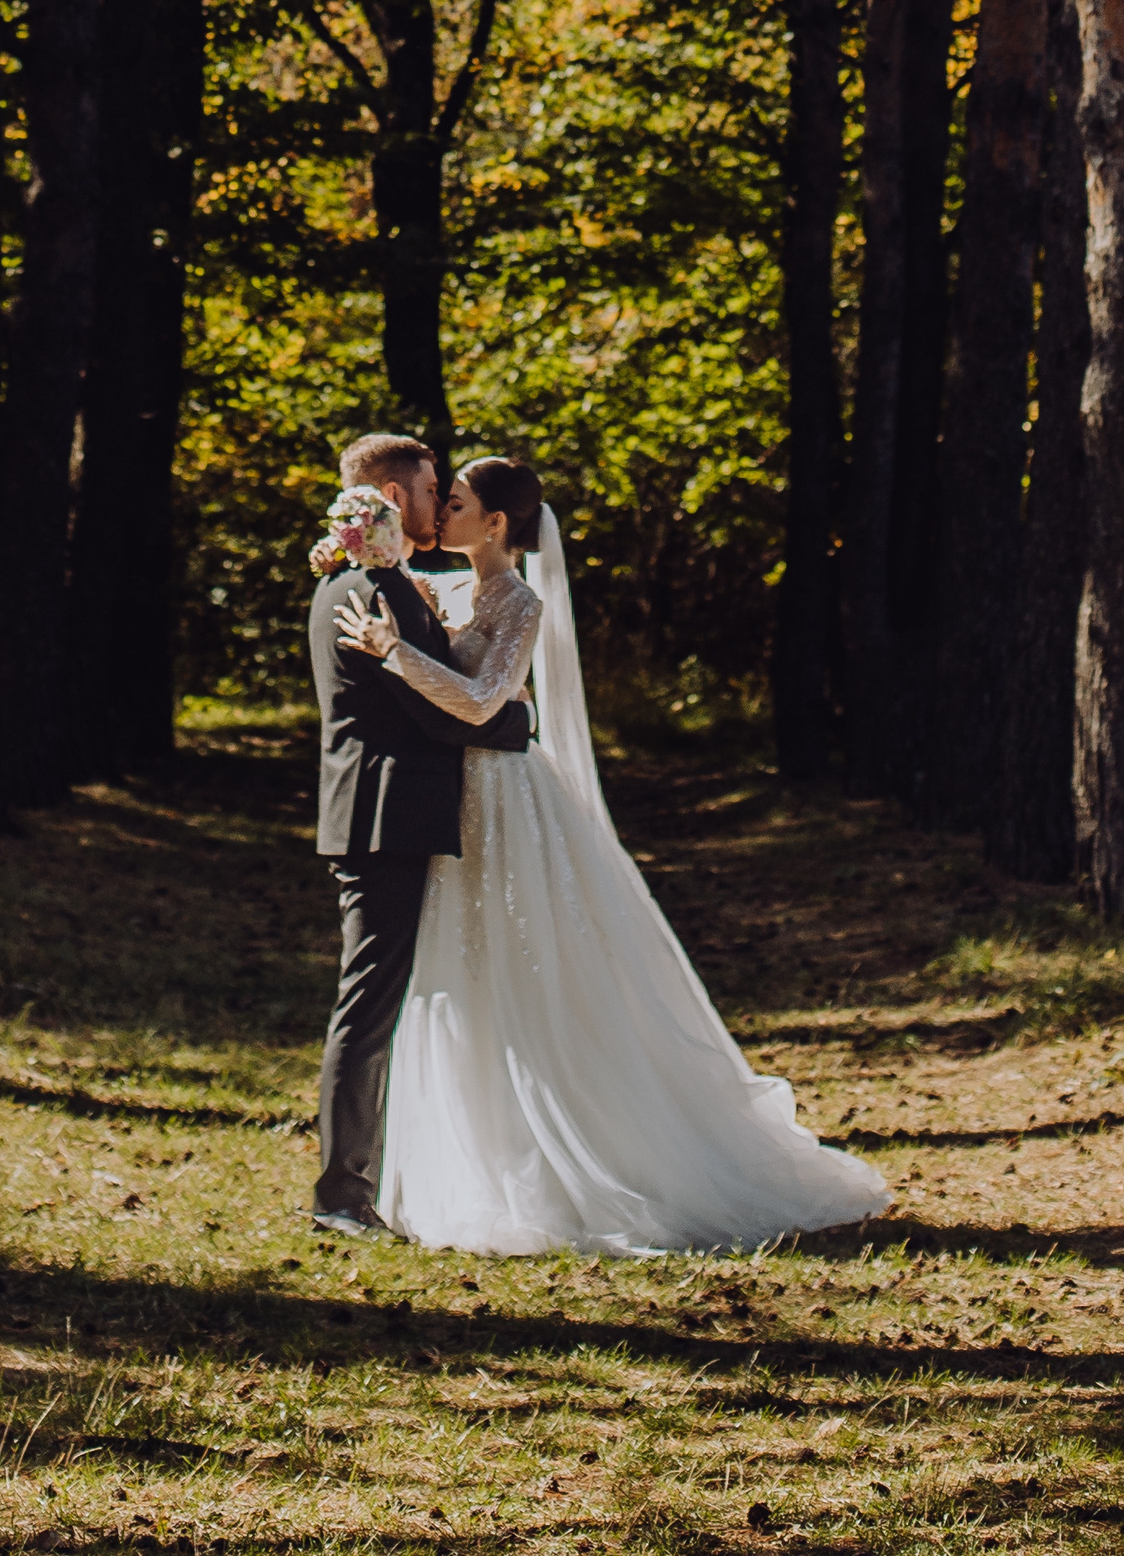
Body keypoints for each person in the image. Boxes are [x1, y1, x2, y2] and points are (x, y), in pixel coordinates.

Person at [337, 455, 886, 1255]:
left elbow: (486, 698)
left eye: (453, 503)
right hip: (455, 801)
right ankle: (488, 1161)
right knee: (467, 976)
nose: (440, 514)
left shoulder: (520, 603)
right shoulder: (445, 589)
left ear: (495, 524)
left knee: (530, 972)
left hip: (506, 798)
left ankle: (586, 1160)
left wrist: (396, 652)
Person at [307, 432, 531, 1239]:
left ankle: (369, 1183)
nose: (442, 504)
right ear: (398, 498)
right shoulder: (375, 591)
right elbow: (438, 719)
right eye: (435, 490)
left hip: (380, 814)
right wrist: (522, 725)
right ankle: (341, 1195)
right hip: (385, 816)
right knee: (368, 1006)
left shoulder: (364, 580)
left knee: (379, 1001)